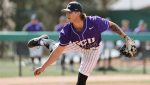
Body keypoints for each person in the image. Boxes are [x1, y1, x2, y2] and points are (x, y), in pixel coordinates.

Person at [27, 1, 135, 85]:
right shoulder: (67, 30)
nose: (67, 14)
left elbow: (112, 25)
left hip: (93, 50)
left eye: (70, 12)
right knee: (54, 49)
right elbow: (58, 52)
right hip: (76, 43)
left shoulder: (94, 21)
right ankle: (42, 41)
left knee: (81, 81)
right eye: (66, 12)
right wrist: (43, 67)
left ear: (78, 13)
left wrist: (125, 36)